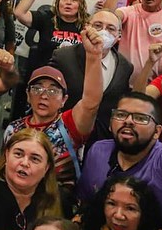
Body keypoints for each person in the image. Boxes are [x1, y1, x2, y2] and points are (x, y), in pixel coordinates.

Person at [76, 75, 162, 230]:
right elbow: (85, 204)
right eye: (121, 115)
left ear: (157, 132)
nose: (128, 121)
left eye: (140, 118)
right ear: (111, 125)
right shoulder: (98, 152)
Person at [5, 28, 103, 213]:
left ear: (64, 100)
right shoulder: (13, 129)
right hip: (14, 204)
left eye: (53, 90)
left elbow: (91, 102)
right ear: (27, 95)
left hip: (55, 208)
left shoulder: (69, 125)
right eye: (37, 88)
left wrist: (93, 56)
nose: (44, 95)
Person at [49, 9, 133, 142]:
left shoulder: (125, 67)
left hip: (101, 139)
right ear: (87, 27)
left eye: (110, 28)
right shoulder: (63, 56)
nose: (103, 31)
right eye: (98, 26)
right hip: (63, 135)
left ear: (119, 36)